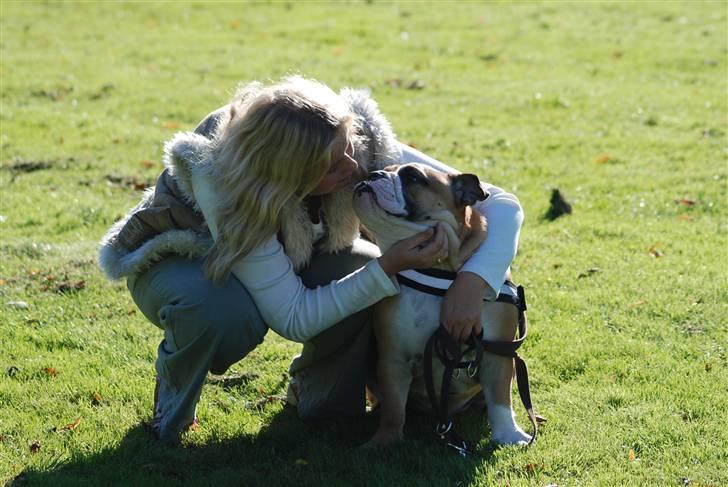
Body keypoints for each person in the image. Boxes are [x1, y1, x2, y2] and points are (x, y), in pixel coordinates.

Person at [98, 76, 523, 445]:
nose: (354, 165)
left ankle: (324, 404)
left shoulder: (340, 135)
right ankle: (172, 403)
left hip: (293, 249)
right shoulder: (229, 186)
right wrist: (387, 267)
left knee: (358, 263)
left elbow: (502, 204)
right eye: (332, 166)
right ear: (288, 176)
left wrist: (473, 281)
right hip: (187, 260)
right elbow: (293, 317)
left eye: (349, 149)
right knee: (223, 313)